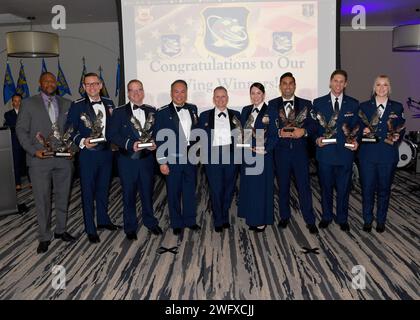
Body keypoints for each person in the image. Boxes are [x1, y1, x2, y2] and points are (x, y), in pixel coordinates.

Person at [16, 72, 75, 254]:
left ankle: (61, 230)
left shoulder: (67, 103)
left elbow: (73, 130)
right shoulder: (28, 103)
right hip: (39, 160)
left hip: (64, 160)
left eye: (52, 81)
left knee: (63, 196)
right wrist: (34, 151)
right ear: (40, 83)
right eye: (46, 81)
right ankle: (44, 236)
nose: (50, 83)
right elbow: (21, 130)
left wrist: (73, 149)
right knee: (42, 200)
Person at [66, 72, 118, 244]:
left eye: (95, 84)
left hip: (106, 153)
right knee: (88, 193)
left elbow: (113, 127)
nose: (92, 87)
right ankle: (90, 228)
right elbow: (69, 129)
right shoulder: (77, 105)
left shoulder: (110, 103)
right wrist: (81, 141)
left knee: (103, 189)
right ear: (83, 87)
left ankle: (103, 220)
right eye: (88, 84)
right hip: (88, 155)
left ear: (101, 85)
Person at [108, 80, 163, 239]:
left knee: (147, 193)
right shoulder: (119, 112)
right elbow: (112, 135)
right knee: (128, 194)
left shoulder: (152, 111)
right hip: (127, 161)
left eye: (139, 90)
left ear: (143, 92)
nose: (136, 93)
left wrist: (155, 144)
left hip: (146, 160)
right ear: (128, 93)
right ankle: (130, 226)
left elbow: (158, 132)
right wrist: (130, 144)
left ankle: (150, 222)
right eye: (132, 91)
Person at [268, 72, 318, 234]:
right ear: (280, 86)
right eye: (284, 83)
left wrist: (303, 131)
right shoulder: (272, 104)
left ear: (295, 86)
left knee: (304, 187)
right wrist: (278, 133)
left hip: (300, 153)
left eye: (290, 83)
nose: (287, 86)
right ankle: (284, 217)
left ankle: (310, 220)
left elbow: (313, 125)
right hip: (281, 152)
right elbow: (270, 127)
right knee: (283, 187)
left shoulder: (306, 104)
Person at [313, 69, 359, 232]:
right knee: (325, 187)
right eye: (335, 81)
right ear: (330, 82)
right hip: (325, 154)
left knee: (343, 189)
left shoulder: (353, 104)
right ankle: (326, 216)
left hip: (345, 155)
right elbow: (313, 127)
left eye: (341, 81)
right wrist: (316, 138)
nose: (338, 84)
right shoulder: (318, 103)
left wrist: (356, 141)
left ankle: (342, 218)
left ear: (345, 84)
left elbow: (356, 128)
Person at [358, 75, 405, 233]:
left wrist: (398, 137)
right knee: (367, 189)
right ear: (374, 87)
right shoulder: (364, 106)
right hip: (367, 156)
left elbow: (401, 129)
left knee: (384, 190)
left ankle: (381, 220)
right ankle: (367, 219)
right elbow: (355, 129)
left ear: (389, 88)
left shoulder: (397, 107)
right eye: (378, 84)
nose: (382, 88)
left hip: (387, 155)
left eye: (385, 85)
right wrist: (362, 131)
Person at [154, 80, 200, 235]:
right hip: (172, 157)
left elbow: (195, 133)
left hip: (190, 157)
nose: (179, 95)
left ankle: (190, 220)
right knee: (173, 191)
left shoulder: (193, 109)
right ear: (171, 93)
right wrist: (162, 162)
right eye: (176, 91)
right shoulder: (162, 112)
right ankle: (176, 222)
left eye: (182, 92)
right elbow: (159, 139)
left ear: (186, 93)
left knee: (189, 190)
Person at [199, 86, 240, 232]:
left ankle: (224, 215)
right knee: (216, 190)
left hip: (231, 157)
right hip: (213, 158)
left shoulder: (237, 115)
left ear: (227, 98)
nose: (220, 99)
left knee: (229, 189)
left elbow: (243, 136)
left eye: (223, 96)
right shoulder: (204, 116)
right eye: (217, 97)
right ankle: (218, 219)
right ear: (213, 99)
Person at [237, 83, 277, 232]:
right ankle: (251, 215)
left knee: (261, 188)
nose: (255, 96)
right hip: (247, 153)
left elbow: (274, 135)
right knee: (249, 186)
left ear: (264, 95)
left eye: (258, 93)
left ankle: (260, 219)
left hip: (262, 155)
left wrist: (266, 149)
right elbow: (243, 131)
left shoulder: (271, 111)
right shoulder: (246, 110)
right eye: (253, 93)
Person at [4, 94, 26, 190]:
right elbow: (14, 126)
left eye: (19, 101)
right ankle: (17, 183)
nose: (17, 103)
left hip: (26, 141)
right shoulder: (8, 114)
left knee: (28, 162)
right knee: (16, 163)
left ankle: (31, 181)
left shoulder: (27, 113)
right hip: (15, 142)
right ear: (12, 102)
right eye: (15, 101)